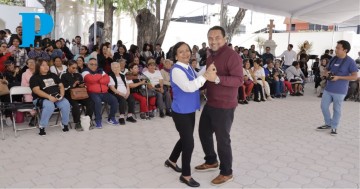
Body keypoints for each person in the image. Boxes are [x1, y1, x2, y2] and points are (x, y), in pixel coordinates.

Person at [195, 26, 243, 186]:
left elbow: (238, 80)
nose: (213, 40)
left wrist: (218, 79)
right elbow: (209, 77)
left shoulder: (233, 56)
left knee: (223, 140)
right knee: (203, 132)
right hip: (211, 102)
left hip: (225, 105)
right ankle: (211, 161)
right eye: (210, 38)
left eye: (217, 37)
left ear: (225, 39)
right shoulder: (210, 55)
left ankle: (226, 172)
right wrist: (196, 86)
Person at [165, 41, 217, 187]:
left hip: (189, 110)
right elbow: (189, 87)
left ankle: (171, 160)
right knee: (189, 142)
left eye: (187, 50)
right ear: (175, 56)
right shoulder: (176, 70)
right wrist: (205, 76)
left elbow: (196, 77)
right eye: (181, 52)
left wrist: (207, 68)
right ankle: (185, 175)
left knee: (185, 138)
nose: (186, 53)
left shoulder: (187, 66)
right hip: (180, 112)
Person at [317, 40, 358, 135]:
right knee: (323, 106)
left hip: (340, 90)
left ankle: (334, 127)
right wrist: (326, 72)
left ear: (345, 50)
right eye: (336, 48)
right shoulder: (333, 59)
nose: (336, 50)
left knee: (337, 109)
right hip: (328, 88)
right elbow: (327, 69)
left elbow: (354, 76)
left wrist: (339, 77)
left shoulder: (350, 61)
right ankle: (328, 123)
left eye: (338, 48)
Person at [29, 58, 71, 136]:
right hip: (41, 98)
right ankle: (42, 126)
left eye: (47, 65)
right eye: (43, 65)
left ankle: (64, 124)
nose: (46, 67)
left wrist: (61, 95)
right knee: (49, 105)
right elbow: (36, 90)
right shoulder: (34, 78)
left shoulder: (53, 75)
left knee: (66, 103)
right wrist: (49, 97)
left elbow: (61, 86)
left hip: (56, 96)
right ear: (38, 67)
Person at [82, 58, 119, 128]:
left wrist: (98, 79)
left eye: (95, 64)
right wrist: (100, 76)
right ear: (87, 64)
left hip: (104, 92)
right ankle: (98, 120)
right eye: (91, 64)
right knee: (97, 102)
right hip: (92, 93)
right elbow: (90, 79)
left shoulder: (100, 70)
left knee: (114, 100)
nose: (94, 66)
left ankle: (111, 118)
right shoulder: (85, 71)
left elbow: (107, 79)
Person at [61, 60, 94, 131]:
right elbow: (63, 88)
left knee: (90, 102)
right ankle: (77, 122)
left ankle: (88, 120)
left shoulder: (78, 75)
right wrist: (73, 85)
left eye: (76, 68)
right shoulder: (64, 75)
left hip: (80, 94)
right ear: (68, 66)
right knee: (75, 106)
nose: (74, 69)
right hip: (69, 95)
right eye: (73, 68)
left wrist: (82, 85)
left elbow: (82, 85)